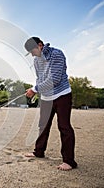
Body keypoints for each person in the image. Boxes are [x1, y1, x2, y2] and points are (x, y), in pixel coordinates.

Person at [24, 37, 77, 171]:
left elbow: (55, 78)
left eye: (32, 50)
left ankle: (69, 161)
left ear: (40, 45)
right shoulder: (36, 60)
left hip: (62, 94)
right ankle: (39, 152)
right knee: (43, 125)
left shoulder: (57, 54)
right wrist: (35, 89)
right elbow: (40, 79)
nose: (32, 54)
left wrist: (35, 90)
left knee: (64, 126)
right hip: (47, 97)